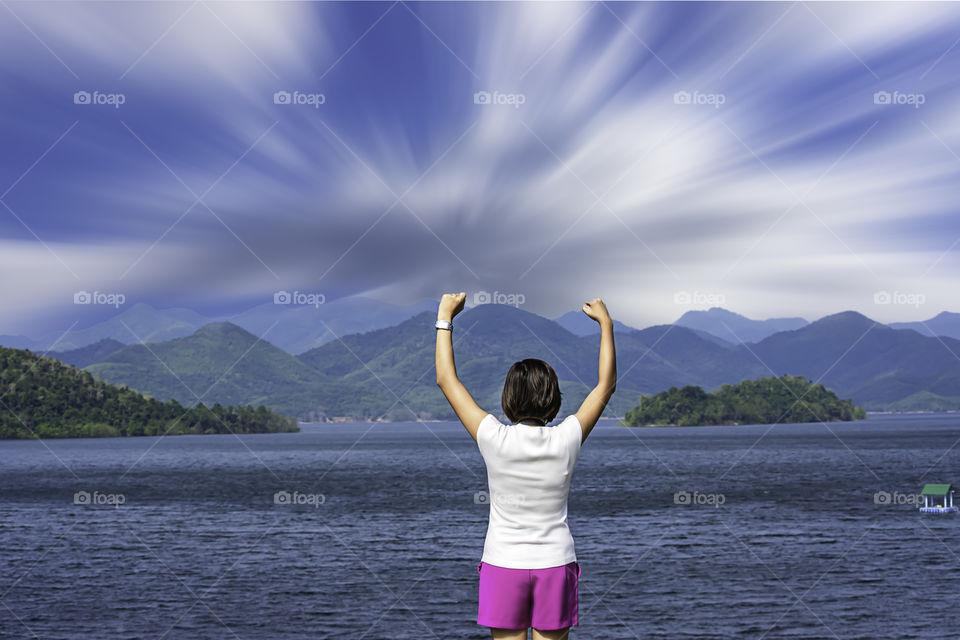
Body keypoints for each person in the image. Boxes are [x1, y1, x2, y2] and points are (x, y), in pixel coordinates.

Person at [435, 292, 617, 640]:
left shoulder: (493, 437)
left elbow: (447, 380)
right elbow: (605, 386)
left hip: (503, 564)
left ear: (508, 399)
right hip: (555, 563)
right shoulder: (567, 438)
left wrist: (445, 317)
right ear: (554, 399)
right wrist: (606, 324)